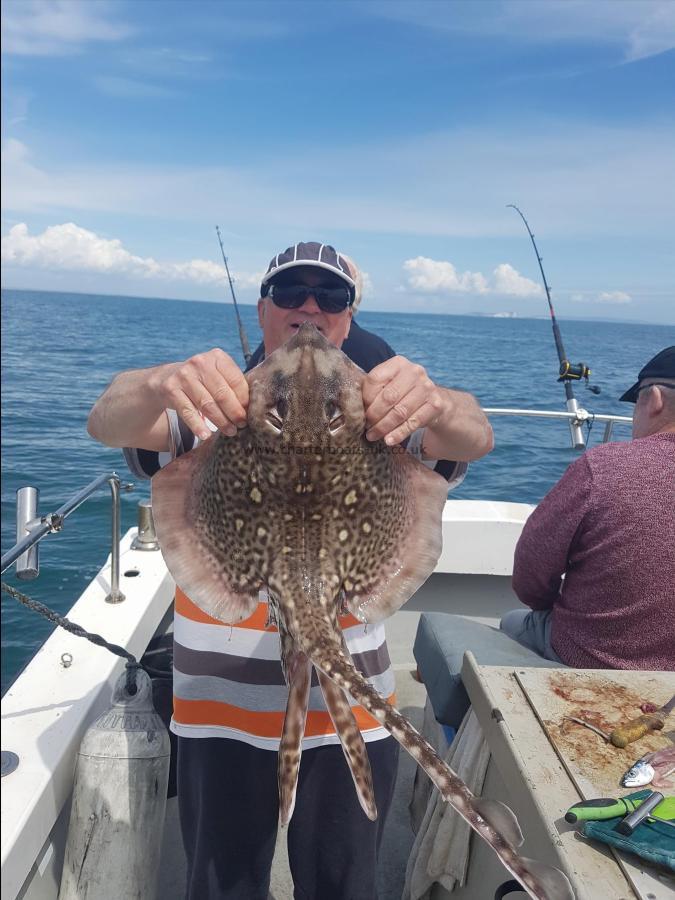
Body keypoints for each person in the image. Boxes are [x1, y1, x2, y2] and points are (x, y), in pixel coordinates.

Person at [87, 241, 494, 900]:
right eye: (290, 294)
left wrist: (439, 403)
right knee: (223, 885)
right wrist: (160, 380)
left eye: (329, 296)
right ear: (263, 309)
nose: (309, 309)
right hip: (218, 714)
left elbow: (474, 432)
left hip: (349, 719)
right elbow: (107, 419)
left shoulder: (385, 418)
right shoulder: (210, 411)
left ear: (348, 315)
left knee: (340, 885)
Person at [500, 345, 675, 670]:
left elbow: (530, 574)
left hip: (588, 660)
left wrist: (546, 605)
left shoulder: (604, 467)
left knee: (513, 622)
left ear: (654, 400)